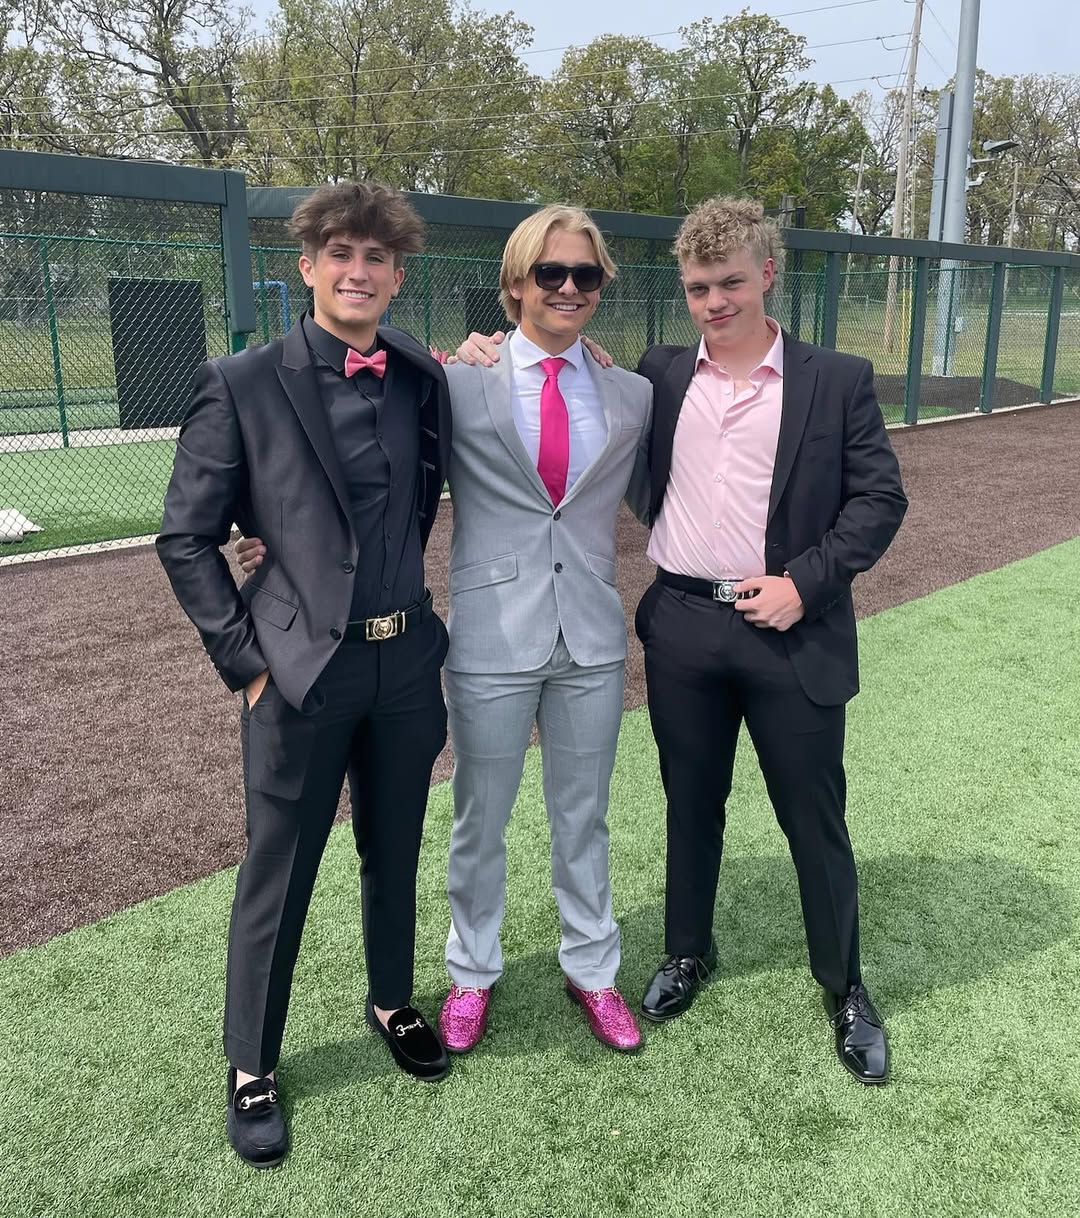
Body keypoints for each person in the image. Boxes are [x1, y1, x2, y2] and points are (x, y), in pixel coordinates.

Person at [459, 196, 908, 1084]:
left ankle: (845, 987)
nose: (715, 302)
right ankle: (686, 951)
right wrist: (479, 347)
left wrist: (804, 584)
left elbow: (879, 500)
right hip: (683, 624)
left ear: (767, 274)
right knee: (690, 802)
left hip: (789, 624)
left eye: (730, 282)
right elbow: (575, 399)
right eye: (699, 288)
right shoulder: (658, 375)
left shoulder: (837, 378)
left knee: (812, 814)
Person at [240, 205, 652, 1055]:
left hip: (591, 639)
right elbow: (358, 466)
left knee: (585, 818)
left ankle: (593, 971)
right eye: (550, 273)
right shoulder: (453, 381)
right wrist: (272, 537)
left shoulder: (632, 394)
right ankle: (471, 973)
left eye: (584, 275)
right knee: (479, 819)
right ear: (515, 285)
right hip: (490, 636)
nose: (568, 288)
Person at [157, 181, 453, 1170]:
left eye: (376, 257)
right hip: (295, 675)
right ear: (308, 265)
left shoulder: (419, 373)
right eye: (341, 253)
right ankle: (252, 1064)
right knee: (279, 871)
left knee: (395, 846)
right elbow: (186, 538)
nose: (358, 271)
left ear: (398, 274)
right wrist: (246, 664)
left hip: (406, 661)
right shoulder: (240, 382)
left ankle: (391, 999)